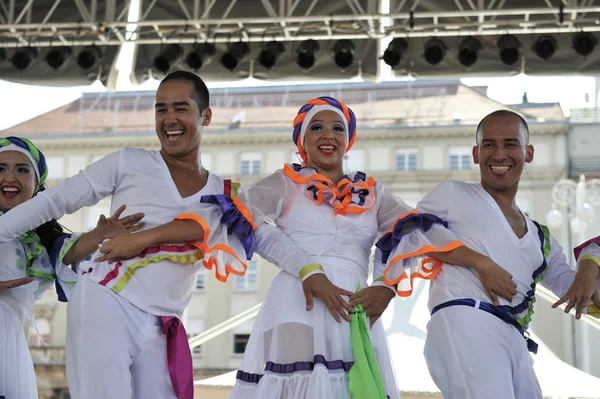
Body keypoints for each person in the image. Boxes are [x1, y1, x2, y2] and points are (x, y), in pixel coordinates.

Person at [158, 96, 500, 399]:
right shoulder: (285, 183)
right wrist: (308, 270)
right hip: (297, 303)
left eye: (337, 128)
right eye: (316, 127)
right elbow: (244, 222)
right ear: (302, 141)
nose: (328, 134)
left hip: (355, 308)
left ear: (347, 140)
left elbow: (418, 234)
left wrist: (387, 285)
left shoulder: (372, 192)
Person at [0, 71, 252, 399]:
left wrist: (313, 272)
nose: (169, 118)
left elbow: (272, 236)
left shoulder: (226, 193)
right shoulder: (129, 161)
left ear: (205, 115)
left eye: (180, 108)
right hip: (106, 299)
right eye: (161, 109)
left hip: (164, 321)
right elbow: (55, 200)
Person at [380, 110, 600, 399]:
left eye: (510, 144)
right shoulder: (452, 194)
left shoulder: (540, 236)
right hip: (466, 320)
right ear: (475, 153)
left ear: (528, 152)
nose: (499, 154)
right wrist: (479, 262)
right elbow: (412, 233)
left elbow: (579, 292)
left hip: (515, 338)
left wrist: (588, 264)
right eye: (488, 144)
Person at [0, 136, 143, 399]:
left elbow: (68, 252)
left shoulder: (40, 240)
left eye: (22, 169)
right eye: (1, 168)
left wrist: (100, 233)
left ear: (37, 187)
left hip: (10, 345)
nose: (10, 177)